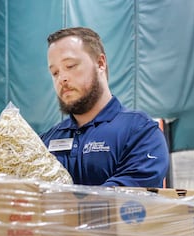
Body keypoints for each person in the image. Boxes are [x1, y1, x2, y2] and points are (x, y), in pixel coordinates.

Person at [40, 27, 169, 187]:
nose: (62, 78)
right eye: (55, 73)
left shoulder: (140, 133)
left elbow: (124, 201)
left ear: (100, 63)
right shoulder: (46, 141)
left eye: (70, 66)